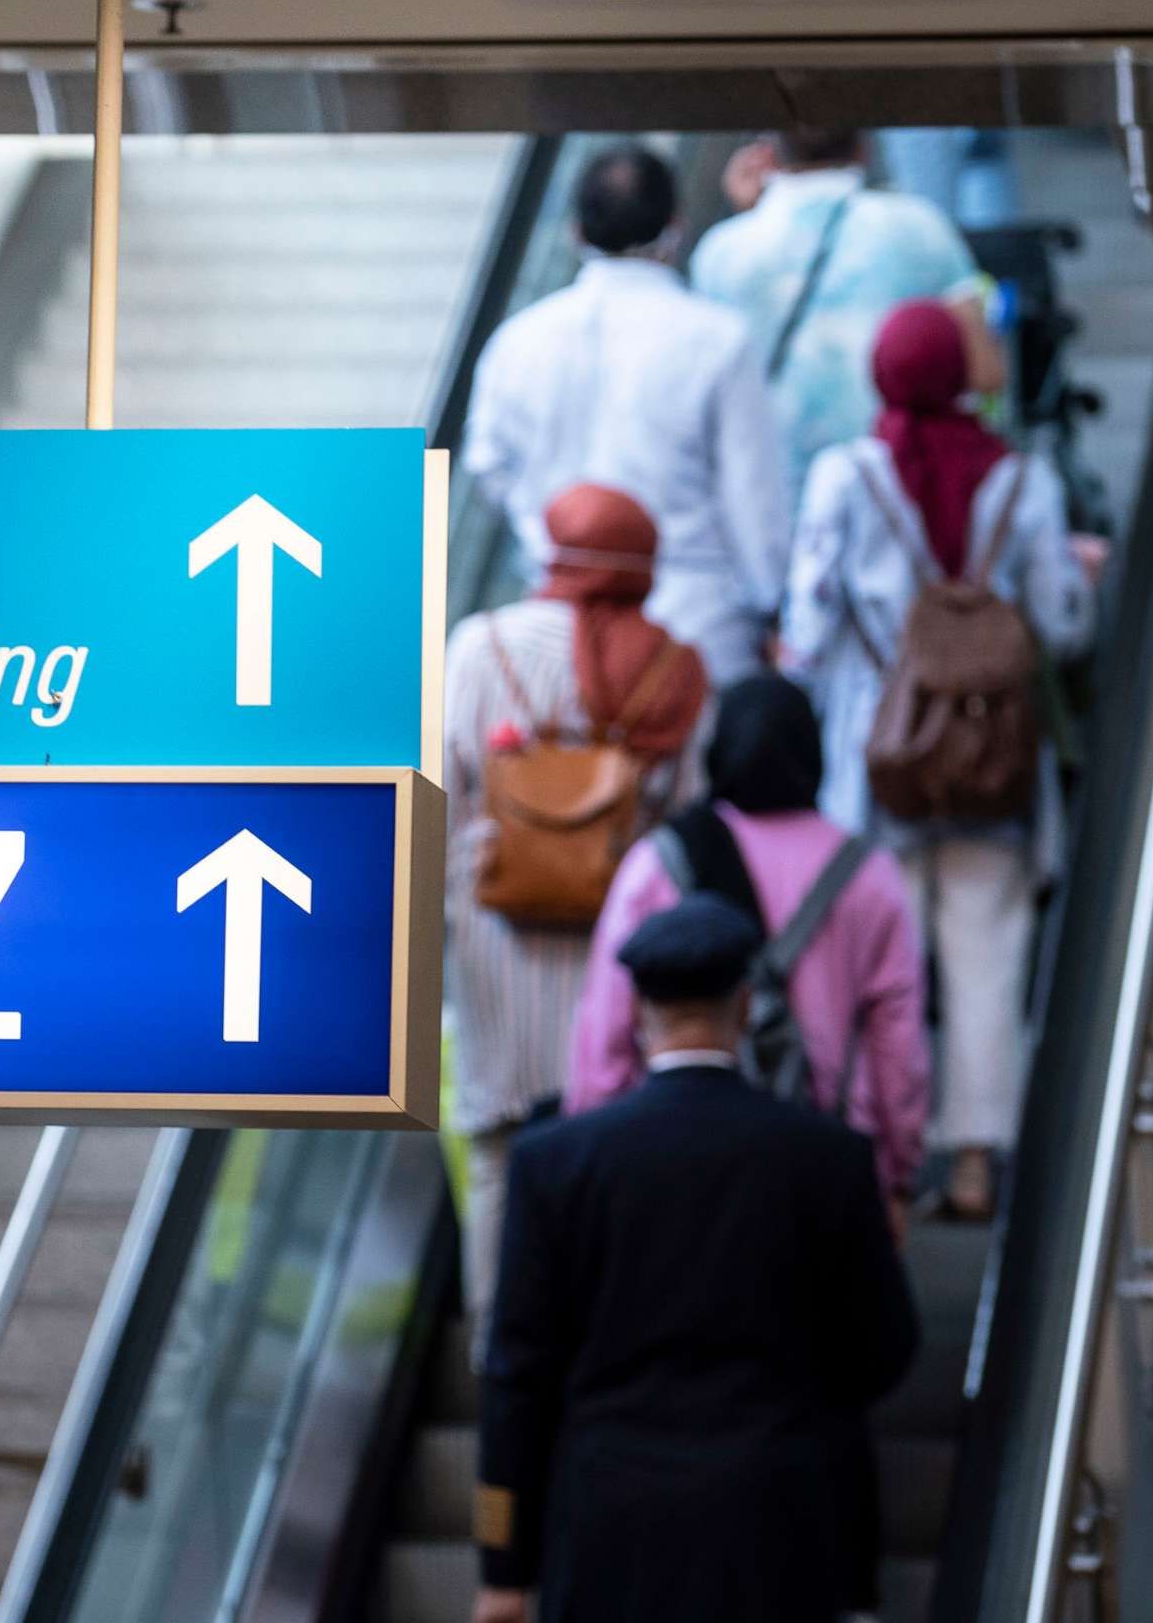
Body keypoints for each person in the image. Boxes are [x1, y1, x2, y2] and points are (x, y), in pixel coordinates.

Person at [474, 896, 920, 1623]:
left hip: (607, 1527)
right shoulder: (829, 1158)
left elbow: (516, 1375)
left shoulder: (553, 1163)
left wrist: (502, 1566)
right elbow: (884, 1351)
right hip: (781, 1522)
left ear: (637, 1014)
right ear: (745, 1008)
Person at [782, 297, 1096, 1220]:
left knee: (882, 962)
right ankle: (972, 1161)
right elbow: (1064, 632)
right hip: (994, 757)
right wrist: (1079, 579)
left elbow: (805, 629)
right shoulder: (1021, 481)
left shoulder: (844, 477)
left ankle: (883, 1150)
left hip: (873, 758)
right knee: (987, 954)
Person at [442, 484, 706, 1357]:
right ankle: (600, 1347)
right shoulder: (669, 667)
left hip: (491, 941)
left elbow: (432, 798)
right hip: (614, 953)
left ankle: (497, 1349)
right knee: (608, 1162)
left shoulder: (479, 649)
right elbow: (685, 817)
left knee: (497, 1157)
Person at [566, 674, 930, 1217]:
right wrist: (896, 1169)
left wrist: (594, 1140)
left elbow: (607, 1024)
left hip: (669, 1167)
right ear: (815, 751)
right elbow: (897, 1039)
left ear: (718, 750)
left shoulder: (658, 864)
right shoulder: (869, 876)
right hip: (828, 1170)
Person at [463, 144, 789, 684]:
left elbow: (487, 465)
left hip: (555, 628)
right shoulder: (718, 341)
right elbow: (752, 495)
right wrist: (772, 603)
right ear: (677, 229)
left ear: (575, 233)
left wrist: (543, 531)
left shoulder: (517, 340)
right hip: (693, 624)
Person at [692, 128, 988, 508]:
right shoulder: (921, 227)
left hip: (772, 504)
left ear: (768, 154)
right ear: (864, 149)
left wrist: (751, 217)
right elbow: (985, 372)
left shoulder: (722, 252)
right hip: (897, 502)